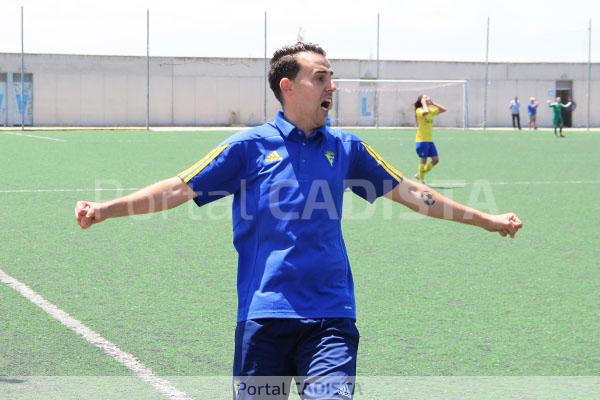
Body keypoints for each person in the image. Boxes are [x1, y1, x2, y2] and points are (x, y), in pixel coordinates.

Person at [74, 42, 523, 400]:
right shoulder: (248, 148)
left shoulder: (347, 148)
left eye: (332, 78)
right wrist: (106, 209)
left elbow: (413, 192)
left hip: (330, 316)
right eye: (322, 77)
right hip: (264, 318)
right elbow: (178, 188)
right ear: (288, 87)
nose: (332, 86)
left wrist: (485, 219)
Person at [413, 95, 447, 183]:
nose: (427, 98)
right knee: (423, 159)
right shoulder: (419, 110)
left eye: (428, 97)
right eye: (425, 98)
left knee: (436, 160)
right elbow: (425, 112)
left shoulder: (431, 111)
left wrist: (433, 103)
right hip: (421, 140)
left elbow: (444, 109)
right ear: (421, 101)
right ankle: (421, 181)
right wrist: (424, 103)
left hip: (429, 140)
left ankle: (420, 173)